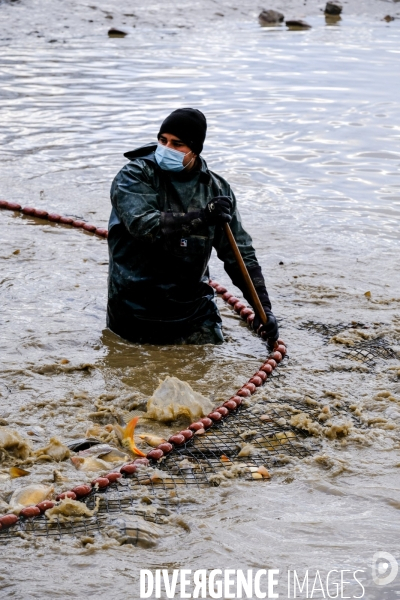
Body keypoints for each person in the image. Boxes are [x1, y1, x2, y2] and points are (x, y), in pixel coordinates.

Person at [107, 108, 279, 345]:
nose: (167, 149)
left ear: (195, 150)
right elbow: (143, 225)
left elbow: (239, 253)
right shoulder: (135, 174)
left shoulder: (217, 189)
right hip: (136, 305)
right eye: (162, 140)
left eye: (177, 144)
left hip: (193, 308)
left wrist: (264, 310)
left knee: (211, 358)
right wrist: (203, 216)